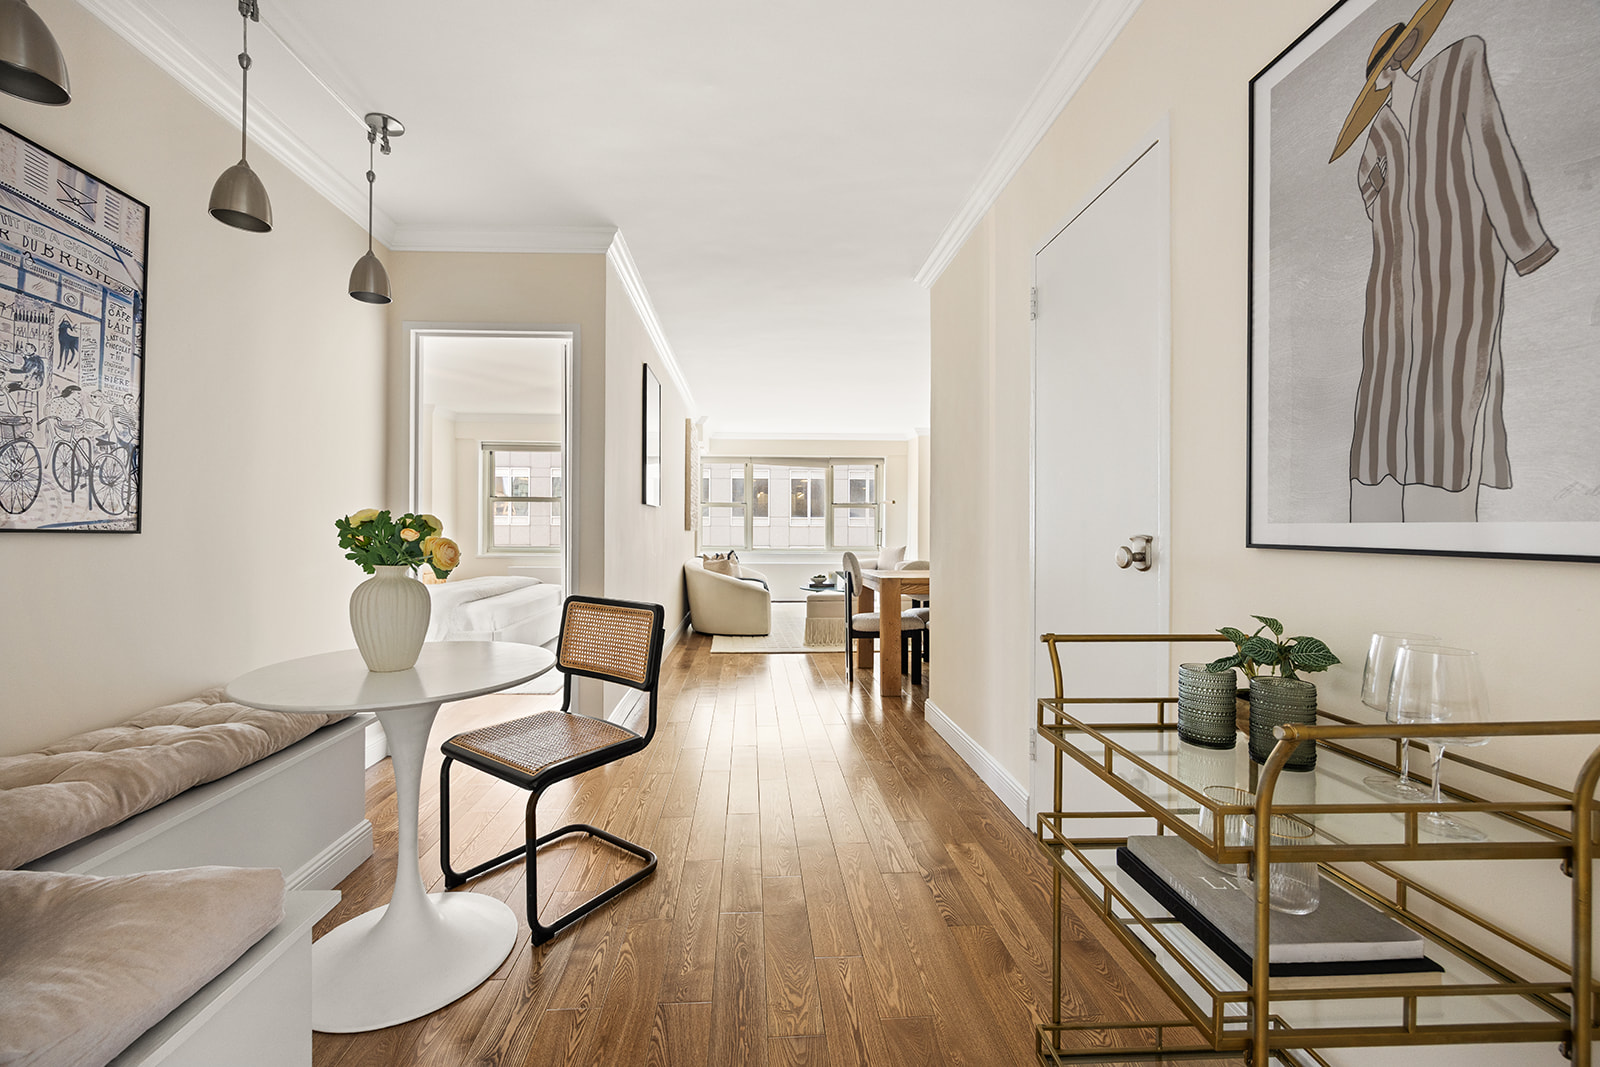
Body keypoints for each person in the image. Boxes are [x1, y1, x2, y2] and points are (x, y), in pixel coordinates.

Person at [1332, 0, 1557, 522]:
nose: (1393, 67)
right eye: (1382, 67)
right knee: (1385, 390)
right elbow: (1372, 204)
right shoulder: (1378, 139)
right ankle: (1381, 508)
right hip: (1391, 291)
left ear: (1409, 50)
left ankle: (1443, 513)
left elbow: (1492, 150)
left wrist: (1524, 243)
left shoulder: (1459, 68)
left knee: (1454, 384)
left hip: (1462, 262)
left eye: (1397, 54)